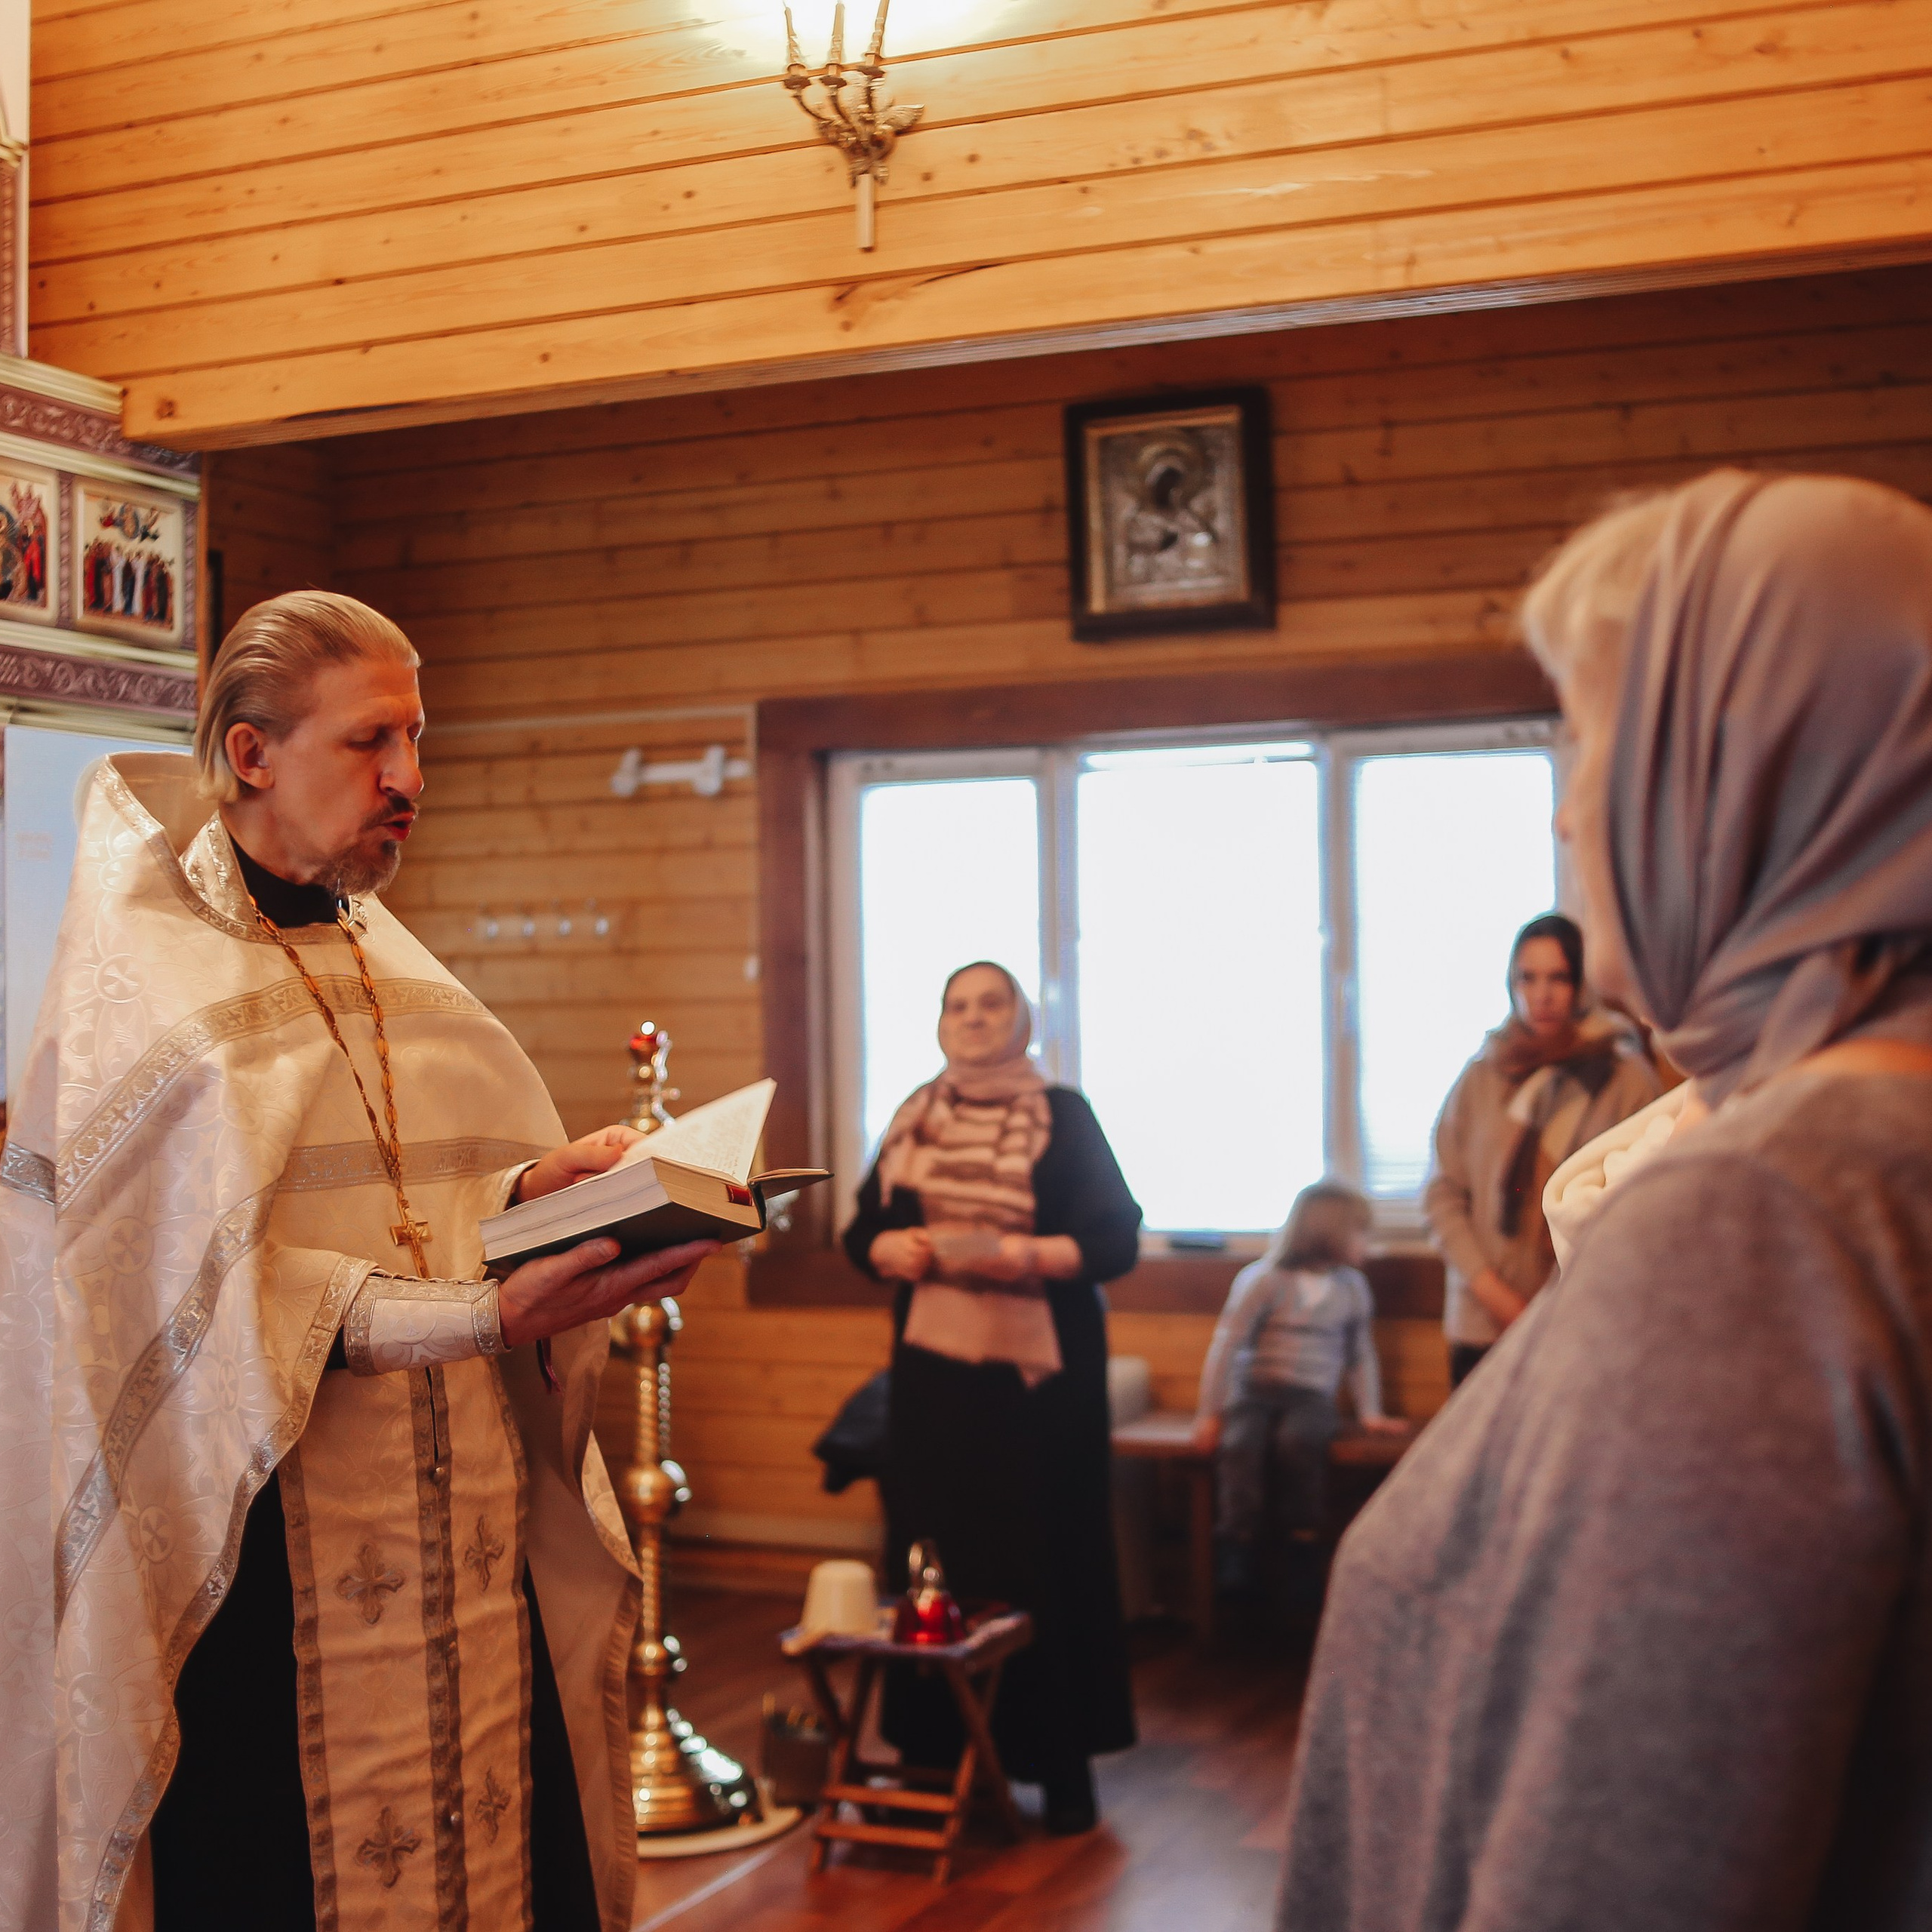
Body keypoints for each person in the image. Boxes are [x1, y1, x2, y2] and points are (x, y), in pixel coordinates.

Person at [0, 591, 717, 1932]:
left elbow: (413, 1200)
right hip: (260, 1544)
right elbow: (159, 1296)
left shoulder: (390, 960)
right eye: (372, 742)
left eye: (418, 739)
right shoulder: (149, 1003)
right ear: (251, 755)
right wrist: (476, 1312)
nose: (410, 780)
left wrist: (533, 1193)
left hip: (464, 1520)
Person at [1277, 469, 1932, 1931]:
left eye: (1595, 744)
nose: (1570, 807)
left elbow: (1625, 1854)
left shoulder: (1763, 1214)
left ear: (1742, 778)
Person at [841, 961, 1141, 1835]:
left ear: (1023, 1021)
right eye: (956, 1006)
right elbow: (864, 1224)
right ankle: (936, 1755)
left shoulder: (1063, 1114)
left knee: (1043, 1560)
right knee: (934, 1557)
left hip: (1039, 1387)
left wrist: (1023, 1255)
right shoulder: (914, 1114)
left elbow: (1115, 1239)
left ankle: (1060, 1766)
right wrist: (881, 1251)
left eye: (990, 1004)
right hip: (935, 1379)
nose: (972, 1021)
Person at [1424, 911, 1660, 1385]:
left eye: (1559, 977)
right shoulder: (1482, 1075)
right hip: (1481, 1321)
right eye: (1527, 978)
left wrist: (1554, 1303)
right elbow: (1442, 1193)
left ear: (1582, 983)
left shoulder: (1623, 1077)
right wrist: (1491, 1292)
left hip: (1579, 1323)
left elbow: (1639, 1204)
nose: (1543, 994)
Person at [1191, 1180, 1404, 1592]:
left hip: (1311, 1397)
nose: (1369, 1243)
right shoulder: (1264, 1280)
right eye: (1362, 1232)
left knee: (1300, 1441)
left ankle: (1302, 1542)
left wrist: (1370, 1412)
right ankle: (1237, 1541)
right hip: (1255, 1392)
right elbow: (1228, 1345)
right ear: (1331, 1233)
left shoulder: (1352, 1288)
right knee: (1240, 1446)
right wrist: (1209, 1414)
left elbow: (1360, 1354)